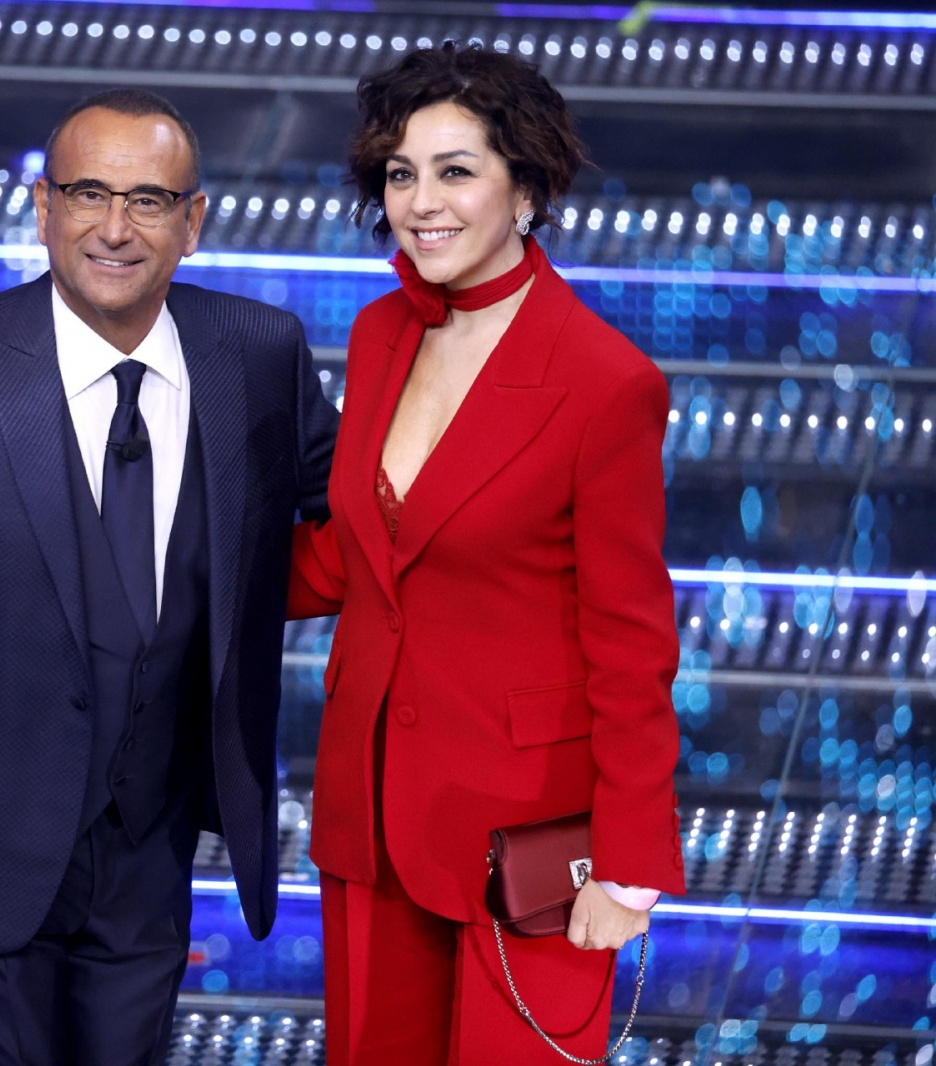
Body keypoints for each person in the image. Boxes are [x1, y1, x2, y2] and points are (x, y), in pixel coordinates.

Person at [0, 88, 339, 1065]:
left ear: (193, 222)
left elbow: (349, 521)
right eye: (87, 194)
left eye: (150, 201)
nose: (116, 228)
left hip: (152, 847)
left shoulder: (259, 355)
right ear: (42, 210)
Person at [288, 43, 685, 1064]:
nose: (423, 201)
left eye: (456, 170)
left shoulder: (605, 381)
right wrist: (165, 558)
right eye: (401, 172)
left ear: (527, 187)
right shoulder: (381, 332)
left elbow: (633, 637)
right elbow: (357, 555)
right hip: (370, 811)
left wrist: (629, 865)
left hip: (531, 841)